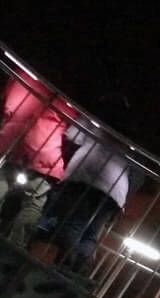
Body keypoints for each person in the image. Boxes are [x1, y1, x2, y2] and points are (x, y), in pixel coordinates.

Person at [36, 94, 139, 273]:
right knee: (91, 234)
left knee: (72, 224)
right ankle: (79, 271)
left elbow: (73, 135)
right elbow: (137, 173)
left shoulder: (98, 119)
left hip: (86, 177)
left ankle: (66, 266)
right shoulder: (134, 138)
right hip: (116, 191)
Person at [0, 74, 76, 247]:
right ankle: (16, 245)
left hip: (11, 142)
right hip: (44, 151)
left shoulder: (22, 78)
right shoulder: (65, 99)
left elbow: (7, 105)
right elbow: (71, 128)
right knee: (34, 202)